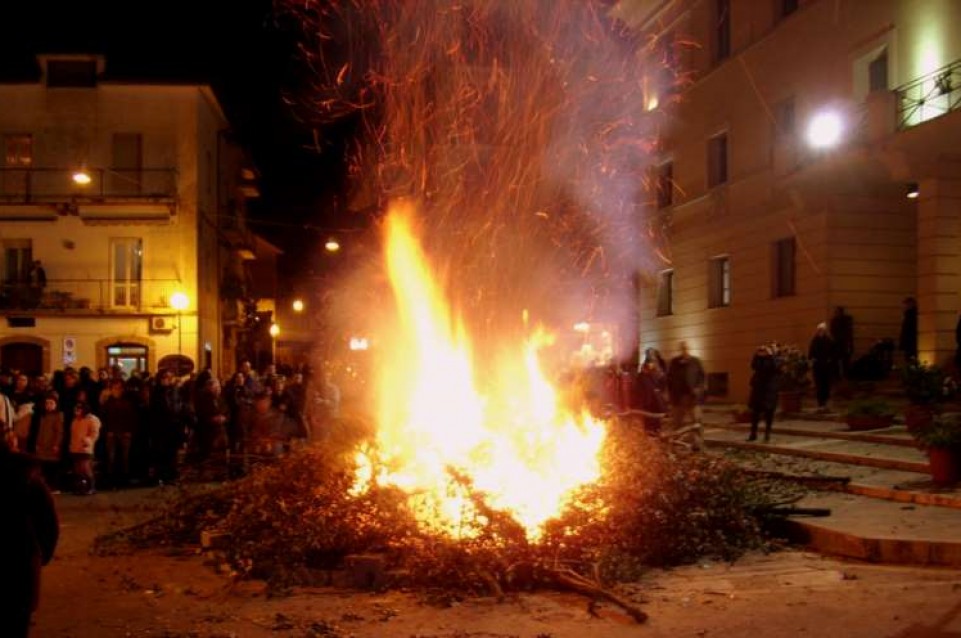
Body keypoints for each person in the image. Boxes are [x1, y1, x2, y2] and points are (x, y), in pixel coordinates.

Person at [0, 422, 59, 638]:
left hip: (21, 556)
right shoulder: (25, 476)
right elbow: (47, 521)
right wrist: (41, 553)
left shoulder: (25, 474)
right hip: (18, 560)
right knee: (16, 621)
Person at [666, 341, 706, 451]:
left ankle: (698, 444)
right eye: (682, 348)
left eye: (686, 348)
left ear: (688, 349)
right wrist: (670, 394)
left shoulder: (695, 362)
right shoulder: (674, 362)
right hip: (678, 398)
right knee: (677, 422)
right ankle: (676, 444)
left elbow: (702, 377)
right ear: (680, 349)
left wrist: (699, 389)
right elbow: (669, 379)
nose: (684, 350)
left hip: (692, 398)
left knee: (696, 422)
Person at [747, 345, 779, 442]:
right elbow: (753, 365)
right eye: (762, 350)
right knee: (755, 414)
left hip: (769, 392)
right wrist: (756, 354)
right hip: (758, 392)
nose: (763, 351)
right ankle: (753, 434)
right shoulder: (759, 361)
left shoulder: (772, 360)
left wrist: (770, 355)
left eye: (764, 350)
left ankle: (767, 434)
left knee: (769, 414)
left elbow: (774, 367)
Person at [69, 401, 101, 495]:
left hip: (86, 448)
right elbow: (73, 434)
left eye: (78, 410)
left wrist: (88, 440)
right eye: (75, 410)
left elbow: (94, 433)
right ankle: (81, 487)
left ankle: (91, 487)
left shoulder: (92, 419)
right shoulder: (75, 420)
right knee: (78, 469)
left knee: (85, 468)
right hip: (75, 447)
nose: (76, 411)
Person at [808, 323, 836, 412]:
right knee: (819, 385)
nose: (821, 331)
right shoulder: (815, 340)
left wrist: (830, 360)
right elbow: (811, 352)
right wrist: (812, 359)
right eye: (820, 330)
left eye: (823, 330)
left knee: (826, 385)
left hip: (826, 366)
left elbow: (833, 352)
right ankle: (820, 403)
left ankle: (826, 403)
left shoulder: (829, 340)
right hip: (818, 366)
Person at [829, 306, 854, 379]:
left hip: (843, 343)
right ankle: (837, 375)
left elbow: (848, 333)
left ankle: (845, 375)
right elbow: (832, 332)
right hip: (837, 343)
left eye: (837, 312)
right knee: (836, 360)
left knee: (845, 360)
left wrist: (849, 344)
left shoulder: (845, 321)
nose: (836, 313)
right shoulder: (834, 321)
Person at [899, 296, 918, 365]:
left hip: (910, 344)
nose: (903, 308)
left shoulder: (910, 315)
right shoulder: (912, 315)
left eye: (904, 306)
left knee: (910, 361)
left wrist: (903, 343)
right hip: (912, 343)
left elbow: (906, 331)